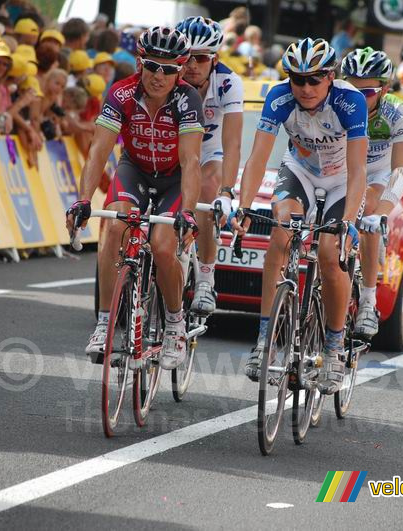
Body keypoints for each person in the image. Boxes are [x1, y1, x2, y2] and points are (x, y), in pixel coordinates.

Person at [230, 38, 368, 394]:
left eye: (314, 79)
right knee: (281, 233)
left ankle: (334, 348)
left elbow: (357, 171)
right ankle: (264, 341)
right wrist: (244, 207)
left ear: (331, 77)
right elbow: (257, 158)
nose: (305, 88)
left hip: (341, 181)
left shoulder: (350, 101)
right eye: (297, 79)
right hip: (301, 172)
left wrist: (349, 221)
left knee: (327, 252)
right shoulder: (279, 98)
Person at [65, 26, 204, 370]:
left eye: (169, 69)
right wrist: (82, 200)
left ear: (181, 71)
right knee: (114, 229)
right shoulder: (121, 93)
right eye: (152, 66)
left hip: (173, 179)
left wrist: (186, 212)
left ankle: (174, 324)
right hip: (135, 170)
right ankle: (103, 323)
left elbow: (191, 161)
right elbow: (98, 151)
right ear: (140, 62)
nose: (159, 75)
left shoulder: (188, 100)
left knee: (161, 246)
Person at [341, 47, 403, 339]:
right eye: (351, 90)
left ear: (384, 88)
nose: (358, 98)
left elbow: (400, 171)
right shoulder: (333, 103)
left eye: (367, 92)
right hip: (342, 168)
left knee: (367, 208)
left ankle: (368, 301)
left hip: (378, 174)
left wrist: (382, 214)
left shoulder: (398, 113)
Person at [175, 16, 243, 316]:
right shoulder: (168, 78)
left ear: (213, 59)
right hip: (174, 149)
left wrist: (227, 192)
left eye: (200, 58)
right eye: (186, 56)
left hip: (210, 152)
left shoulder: (229, 82)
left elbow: (233, 145)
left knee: (206, 185)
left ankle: (205, 276)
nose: (191, 65)